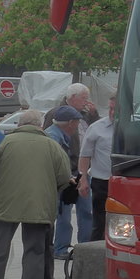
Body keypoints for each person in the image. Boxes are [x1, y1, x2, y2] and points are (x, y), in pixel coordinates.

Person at [0, 110, 70, 279]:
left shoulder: (2, 143)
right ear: (40, 126)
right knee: (34, 249)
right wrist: (50, 192)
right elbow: (64, 176)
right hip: (38, 204)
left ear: (19, 125)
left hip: (6, 202)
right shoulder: (52, 145)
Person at [45, 105, 92, 259]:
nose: (78, 127)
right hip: (63, 182)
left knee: (83, 212)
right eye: (77, 123)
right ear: (71, 123)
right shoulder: (53, 137)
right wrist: (68, 178)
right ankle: (61, 249)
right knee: (63, 215)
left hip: (73, 176)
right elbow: (54, 164)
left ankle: (83, 248)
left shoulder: (59, 135)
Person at [78, 96, 115, 242]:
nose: (112, 112)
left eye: (116, 109)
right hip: (101, 182)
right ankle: (96, 250)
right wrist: (83, 179)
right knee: (99, 222)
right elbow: (85, 156)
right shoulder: (96, 128)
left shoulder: (135, 127)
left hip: (126, 182)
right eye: (110, 108)